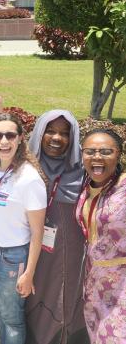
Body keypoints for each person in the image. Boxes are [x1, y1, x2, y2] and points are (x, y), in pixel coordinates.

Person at [0, 112, 47, 344]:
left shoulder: (29, 178)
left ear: (20, 138)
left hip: (11, 257)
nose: (4, 141)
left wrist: (29, 273)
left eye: (10, 135)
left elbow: (38, 233)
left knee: (12, 320)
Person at [25, 110, 88, 344]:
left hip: (71, 252)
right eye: (50, 131)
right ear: (39, 133)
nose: (56, 138)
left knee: (66, 294)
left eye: (64, 133)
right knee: (35, 294)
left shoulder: (85, 170)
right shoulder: (23, 167)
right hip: (32, 251)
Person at [75, 128, 126, 342]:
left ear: (119, 154)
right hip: (94, 283)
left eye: (106, 151)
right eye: (90, 151)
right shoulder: (87, 188)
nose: (97, 157)